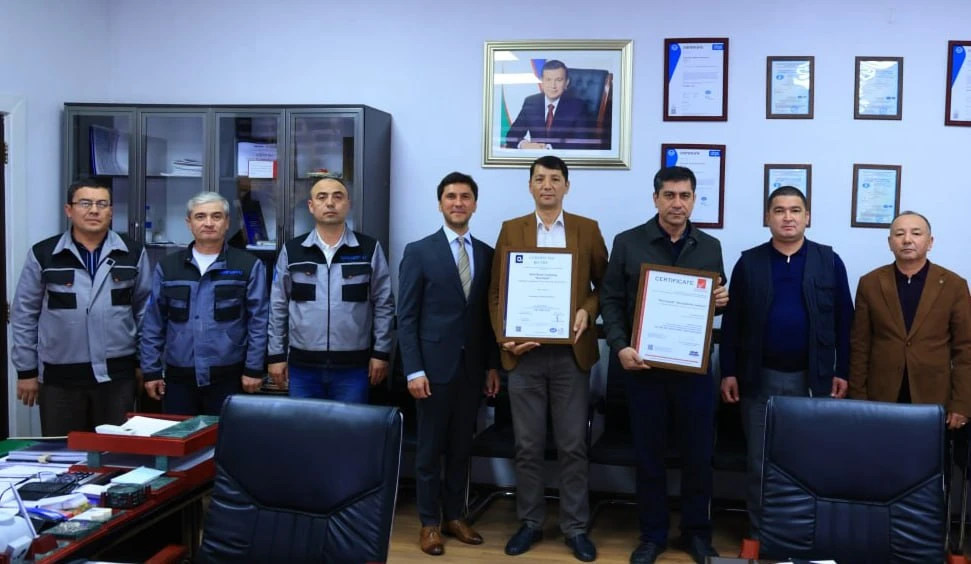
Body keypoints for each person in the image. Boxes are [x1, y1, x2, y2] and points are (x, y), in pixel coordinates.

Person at [600, 166, 728, 564]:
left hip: (693, 373)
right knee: (649, 457)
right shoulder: (628, 242)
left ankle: (696, 534)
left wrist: (720, 302)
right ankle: (652, 535)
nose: (677, 203)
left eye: (685, 195)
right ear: (655, 198)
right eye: (669, 195)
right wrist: (619, 346)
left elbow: (713, 302)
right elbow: (610, 301)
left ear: (694, 200)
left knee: (698, 457)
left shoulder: (710, 246)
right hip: (644, 370)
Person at [488, 156, 606, 562]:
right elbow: (496, 293)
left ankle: (575, 527)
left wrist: (587, 310)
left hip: (571, 355)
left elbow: (604, 286)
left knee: (573, 445)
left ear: (567, 186)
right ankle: (530, 522)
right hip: (525, 356)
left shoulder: (587, 229)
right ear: (530, 186)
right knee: (528, 445)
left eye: (555, 179)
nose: (547, 185)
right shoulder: (512, 229)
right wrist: (505, 337)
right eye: (540, 179)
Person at [719, 186, 853, 543]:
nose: (788, 217)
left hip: (813, 380)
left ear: (807, 217)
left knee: (809, 460)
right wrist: (728, 370)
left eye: (795, 210)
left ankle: (804, 536)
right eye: (779, 210)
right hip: (758, 379)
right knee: (759, 463)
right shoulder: (749, 263)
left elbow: (845, 321)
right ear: (767, 218)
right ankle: (761, 535)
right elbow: (732, 323)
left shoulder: (829, 261)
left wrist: (843, 371)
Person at [397, 172, 500, 556]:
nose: (458, 203)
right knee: (429, 451)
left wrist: (492, 366)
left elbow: (487, 318)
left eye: (465, 196)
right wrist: (413, 369)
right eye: (451, 196)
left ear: (475, 204)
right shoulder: (419, 251)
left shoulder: (487, 254)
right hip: (431, 370)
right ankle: (429, 523)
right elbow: (406, 317)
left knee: (460, 448)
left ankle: (455, 516)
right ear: (440, 203)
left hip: (471, 370)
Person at [10, 178, 151, 435]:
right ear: (69, 210)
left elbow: (144, 313)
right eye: (85, 203)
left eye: (102, 204)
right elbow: (24, 315)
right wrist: (26, 371)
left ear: (111, 211)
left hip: (117, 377)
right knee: (64, 451)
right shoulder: (44, 254)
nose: (94, 210)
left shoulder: (132, 253)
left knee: (113, 451)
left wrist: (145, 364)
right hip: (59, 378)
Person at [267, 174, 394, 402]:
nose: (330, 203)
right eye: (322, 197)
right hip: (302, 367)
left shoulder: (369, 249)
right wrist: (276, 355)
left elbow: (384, 304)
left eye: (337, 197)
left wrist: (381, 353)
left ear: (348, 204)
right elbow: (278, 306)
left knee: (351, 425)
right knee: (304, 424)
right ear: (311, 206)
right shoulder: (293, 251)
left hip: (354, 368)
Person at [140, 192, 269, 416]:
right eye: (200, 216)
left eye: (216, 216)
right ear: (189, 223)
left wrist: (254, 368)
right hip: (179, 378)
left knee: (226, 435)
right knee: (179, 435)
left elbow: (259, 321)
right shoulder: (168, 267)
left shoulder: (248, 265)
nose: (208, 223)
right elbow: (153, 323)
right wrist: (151, 371)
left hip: (230, 376)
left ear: (227, 222)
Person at [850, 211, 971, 428]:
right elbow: (860, 345)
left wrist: (962, 402)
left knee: (930, 450)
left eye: (916, 233)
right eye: (899, 234)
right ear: (890, 242)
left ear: (930, 242)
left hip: (934, 396)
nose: (907, 240)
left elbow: (965, 349)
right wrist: (858, 398)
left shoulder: (954, 285)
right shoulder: (870, 283)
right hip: (882, 395)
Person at [504, 60, 592, 150]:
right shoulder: (531, 101)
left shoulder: (578, 106)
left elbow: (582, 142)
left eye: (558, 80)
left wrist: (547, 148)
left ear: (566, 83)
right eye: (548, 80)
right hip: (535, 157)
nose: (553, 86)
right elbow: (512, 135)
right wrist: (524, 145)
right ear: (542, 82)